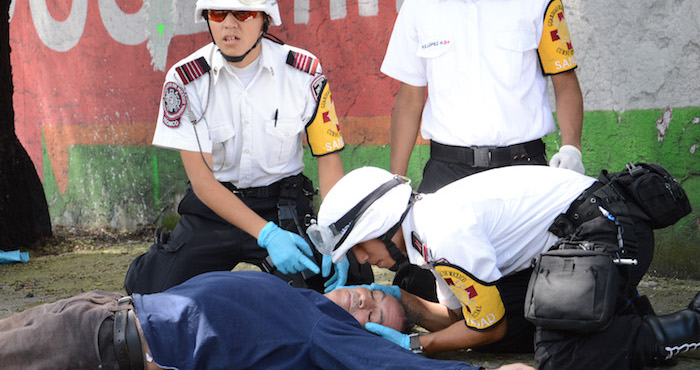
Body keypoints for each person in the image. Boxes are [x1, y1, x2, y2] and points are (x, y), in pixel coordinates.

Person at [307, 165, 699, 368]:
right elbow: (463, 317)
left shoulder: (441, 233)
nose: (362, 260)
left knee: (560, 358)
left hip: (611, 232)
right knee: (522, 319)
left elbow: (488, 329)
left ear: (379, 225)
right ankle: (622, 322)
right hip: (595, 233)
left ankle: (689, 326)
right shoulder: (425, 230)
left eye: (358, 247)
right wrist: (402, 300)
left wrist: (415, 345)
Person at [124, 0, 371, 295]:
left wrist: (335, 237)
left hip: (282, 205)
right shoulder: (186, 80)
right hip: (214, 208)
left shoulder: (304, 73)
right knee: (151, 290)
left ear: (265, 18)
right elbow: (203, 183)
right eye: (217, 13)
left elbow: (328, 159)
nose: (229, 24)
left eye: (242, 13)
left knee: (351, 282)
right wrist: (266, 235)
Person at [381, 0, 586, 301]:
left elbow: (564, 80)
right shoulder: (418, 7)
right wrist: (395, 183)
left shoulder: (539, 3)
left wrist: (572, 148)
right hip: (448, 172)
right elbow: (410, 98)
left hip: (523, 167)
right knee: (424, 284)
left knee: (542, 285)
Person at [0, 270, 536, 370]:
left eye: (374, 315)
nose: (362, 302)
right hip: (89, 311)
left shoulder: (322, 328)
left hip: (96, 345)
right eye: (372, 294)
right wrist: (411, 306)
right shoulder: (290, 293)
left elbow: (387, 365)